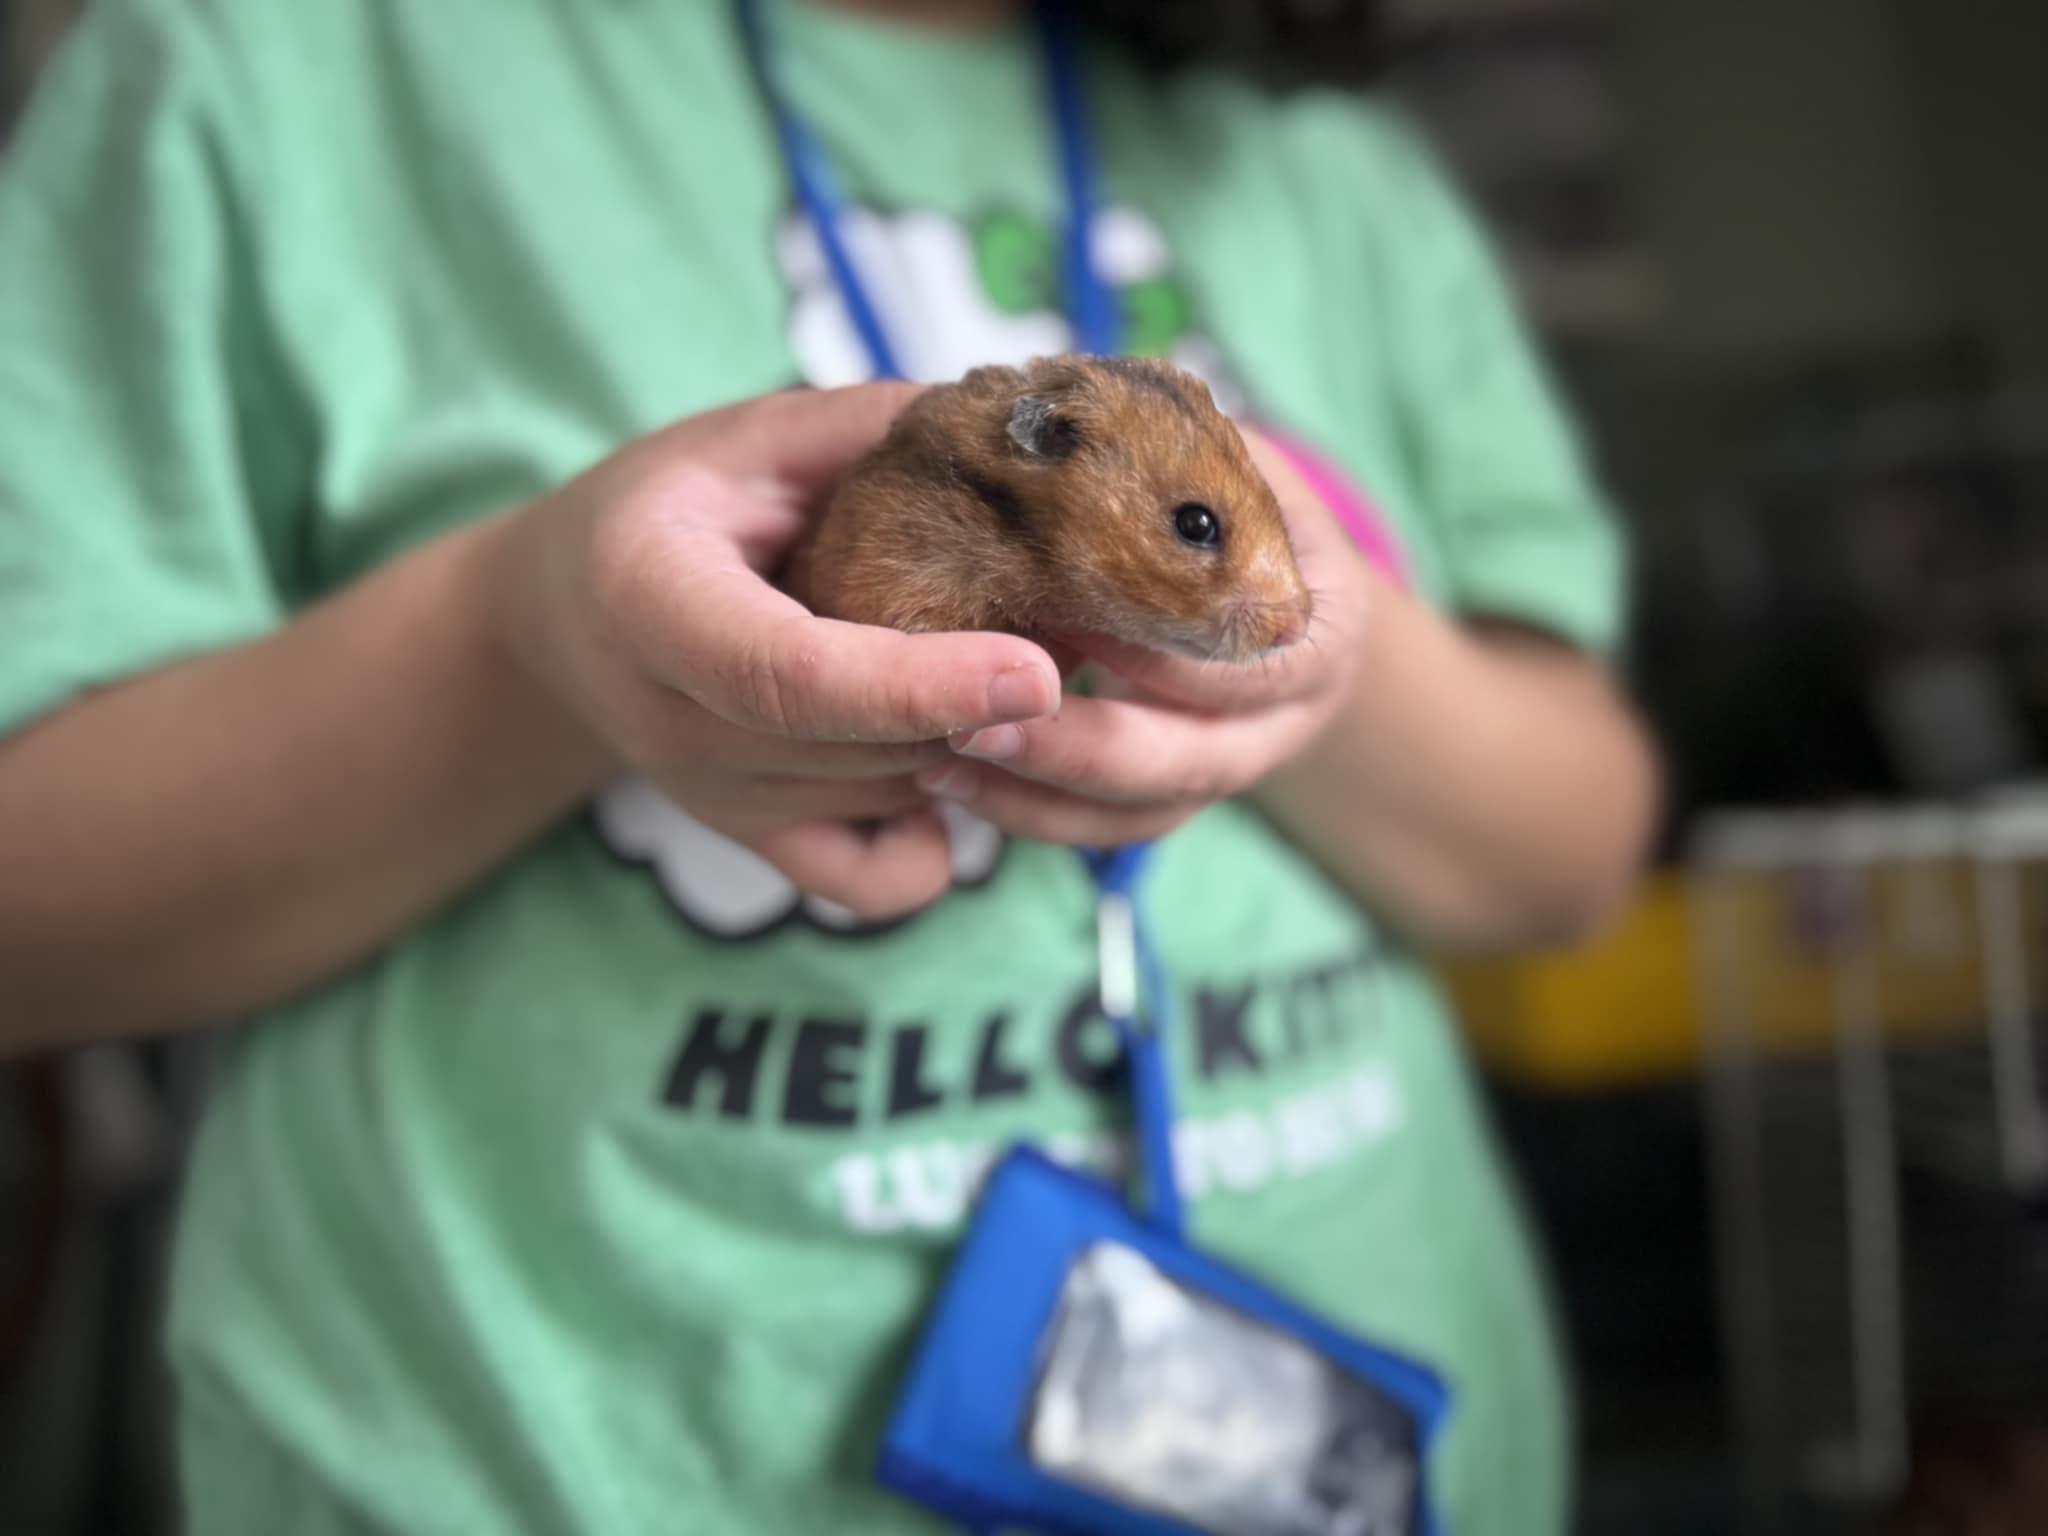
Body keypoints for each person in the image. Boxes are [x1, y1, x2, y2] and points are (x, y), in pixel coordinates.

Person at [0, 0, 1659, 1531]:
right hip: (551, 1463)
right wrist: (521, 637)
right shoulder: (271, 65)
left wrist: (1305, 645)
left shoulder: (1325, 156)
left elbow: (1573, 854)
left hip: (1360, 1432)